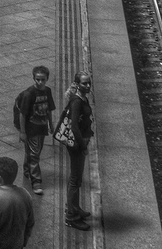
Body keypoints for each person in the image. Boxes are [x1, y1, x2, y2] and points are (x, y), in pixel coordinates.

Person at [57, 72, 94, 230]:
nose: (87, 86)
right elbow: (74, 126)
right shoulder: (77, 101)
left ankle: (75, 208)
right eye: (84, 83)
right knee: (74, 180)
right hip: (77, 145)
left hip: (80, 143)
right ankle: (71, 217)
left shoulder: (82, 97)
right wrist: (83, 147)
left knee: (76, 179)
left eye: (88, 83)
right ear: (77, 84)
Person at [12, 65, 55, 195]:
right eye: (37, 79)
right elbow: (22, 114)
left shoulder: (47, 91)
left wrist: (51, 125)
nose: (40, 82)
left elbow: (48, 110)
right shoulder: (29, 94)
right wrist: (23, 132)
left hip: (42, 127)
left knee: (33, 152)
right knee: (35, 155)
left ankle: (27, 170)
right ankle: (36, 181)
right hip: (31, 129)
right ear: (33, 78)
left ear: (47, 79)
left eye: (42, 79)